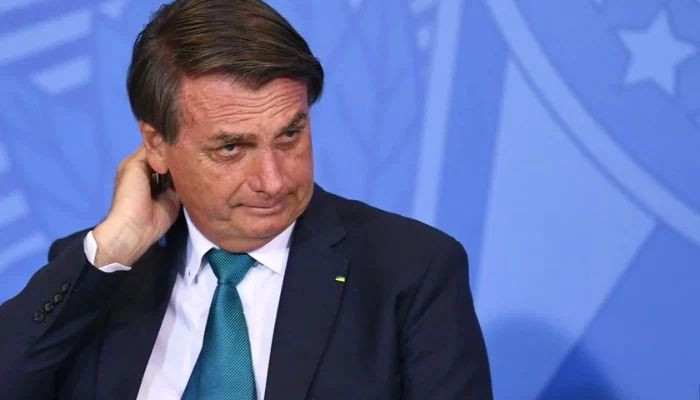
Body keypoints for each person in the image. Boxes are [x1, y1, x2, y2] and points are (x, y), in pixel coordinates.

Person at [0, 0, 492, 398]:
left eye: (290, 134)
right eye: (232, 148)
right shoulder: (101, 275)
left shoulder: (410, 272)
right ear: (156, 145)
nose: (273, 181)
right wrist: (116, 246)